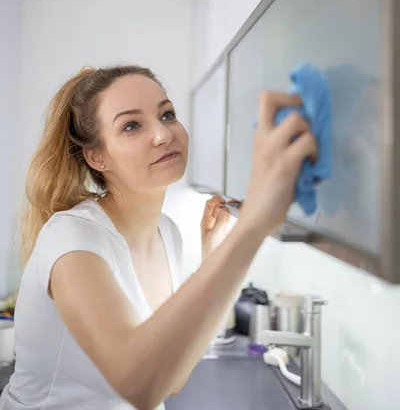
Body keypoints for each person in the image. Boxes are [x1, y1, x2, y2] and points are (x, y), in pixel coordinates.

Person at [0, 65, 317, 410]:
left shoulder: (168, 234)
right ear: (97, 156)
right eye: (132, 125)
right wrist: (252, 225)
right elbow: (141, 384)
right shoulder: (73, 237)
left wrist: (214, 257)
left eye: (167, 114)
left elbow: (172, 376)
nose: (163, 134)